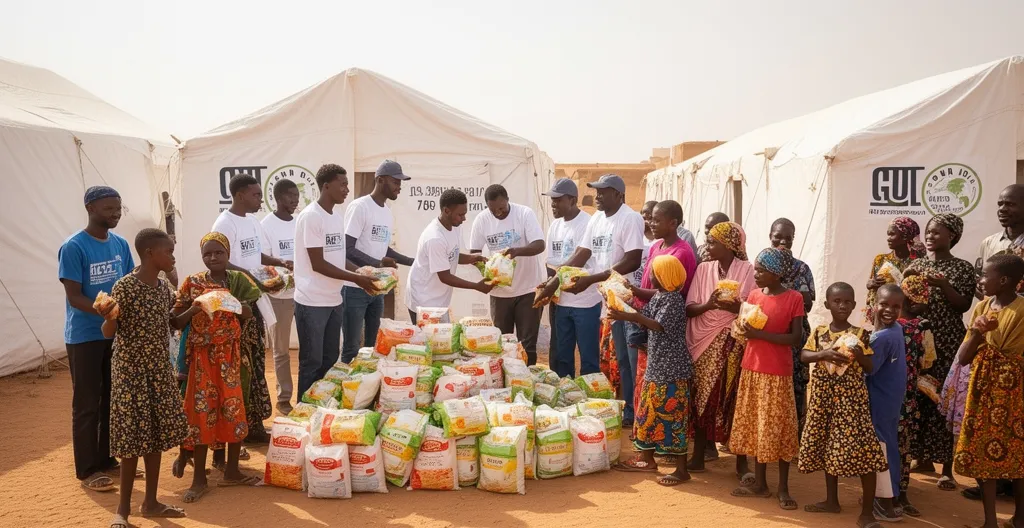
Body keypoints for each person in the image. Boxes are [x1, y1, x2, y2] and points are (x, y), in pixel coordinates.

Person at [101, 229, 189, 527]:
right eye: (169, 251)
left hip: (159, 372)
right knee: (131, 441)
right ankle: (122, 511)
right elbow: (108, 332)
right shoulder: (124, 287)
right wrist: (109, 315)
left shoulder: (164, 288)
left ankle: (150, 502)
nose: (173, 256)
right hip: (131, 373)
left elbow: (173, 323)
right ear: (150, 253)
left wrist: (199, 307)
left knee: (155, 436)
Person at [544, 174, 645, 423]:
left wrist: (591, 279)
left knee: (627, 359)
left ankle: (633, 412)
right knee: (614, 358)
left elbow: (632, 259)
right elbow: (581, 253)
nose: (597, 197)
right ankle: (617, 408)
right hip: (605, 299)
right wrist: (556, 281)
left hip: (625, 299)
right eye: (596, 192)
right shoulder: (598, 219)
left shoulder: (630, 218)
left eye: (603, 192)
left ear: (619, 195)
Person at [171, 232, 263, 502]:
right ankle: (199, 478)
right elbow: (175, 321)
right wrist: (196, 309)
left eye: (218, 252)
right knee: (202, 412)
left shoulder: (237, 281)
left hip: (231, 357)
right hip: (202, 359)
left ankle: (231, 470)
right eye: (207, 254)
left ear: (228, 254)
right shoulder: (193, 283)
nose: (213, 258)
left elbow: (248, 314)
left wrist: (238, 308)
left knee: (233, 409)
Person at [58, 185, 135, 492]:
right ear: (90, 208)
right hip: (85, 336)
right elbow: (74, 296)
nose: (115, 213)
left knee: (111, 400)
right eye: (108, 208)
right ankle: (88, 469)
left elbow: (128, 282)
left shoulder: (120, 243)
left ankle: (106, 459)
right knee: (87, 403)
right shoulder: (74, 246)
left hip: (114, 334)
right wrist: (108, 311)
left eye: (118, 208)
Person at [797, 282, 886, 528]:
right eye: (837, 301)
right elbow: (804, 356)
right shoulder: (820, 332)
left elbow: (870, 368)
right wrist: (823, 354)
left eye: (847, 302)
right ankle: (831, 501)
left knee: (866, 451)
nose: (842, 305)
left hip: (852, 403)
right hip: (824, 400)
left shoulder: (860, 335)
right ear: (827, 305)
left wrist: (857, 354)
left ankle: (867, 512)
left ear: (854, 305)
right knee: (828, 446)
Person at [211, 174, 290, 443]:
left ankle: (254, 423)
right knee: (240, 364)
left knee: (256, 361)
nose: (260, 199)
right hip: (235, 304)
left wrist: (276, 263)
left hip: (254, 300)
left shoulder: (254, 222)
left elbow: (256, 255)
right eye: (256, 194)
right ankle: (237, 428)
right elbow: (222, 263)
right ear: (241, 194)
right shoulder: (224, 223)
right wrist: (254, 279)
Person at [903, 214, 975, 491]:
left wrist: (942, 284)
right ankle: (921, 458)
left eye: (937, 232)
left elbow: (963, 305)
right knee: (920, 396)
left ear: (952, 236)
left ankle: (947, 468)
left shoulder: (962, 268)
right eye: (929, 232)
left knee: (944, 400)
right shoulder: (917, 264)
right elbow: (908, 302)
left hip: (947, 341)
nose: (931, 236)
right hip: (920, 339)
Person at [961, 184, 1024, 501]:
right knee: (989, 419)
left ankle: (1014, 481)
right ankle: (990, 479)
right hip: (991, 334)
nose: (1003, 209)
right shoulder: (990, 243)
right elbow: (979, 285)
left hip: (1020, 338)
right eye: (1000, 203)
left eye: (1010, 204)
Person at [729, 247, 804, 511]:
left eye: (761, 271)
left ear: (775, 273)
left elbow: (795, 339)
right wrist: (742, 328)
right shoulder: (753, 295)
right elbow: (741, 330)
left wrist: (760, 335)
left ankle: (783, 487)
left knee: (780, 428)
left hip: (777, 373)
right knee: (756, 426)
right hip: (752, 367)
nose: (756, 275)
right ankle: (760, 483)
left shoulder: (794, 298)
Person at [293, 164, 377, 397]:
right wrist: (357, 279)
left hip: (333, 299)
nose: (347, 189)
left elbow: (338, 258)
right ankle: (304, 410)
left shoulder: (336, 216)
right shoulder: (311, 216)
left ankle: (321, 408)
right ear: (326, 186)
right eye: (342, 184)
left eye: (347, 184)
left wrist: (362, 273)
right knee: (312, 361)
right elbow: (318, 264)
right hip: (312, 302)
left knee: (330, 360)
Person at [609, 255, 693, 486]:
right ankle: (646, 459)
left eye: (654, 273)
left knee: (674, 418)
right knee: (648, 413)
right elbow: (645, 318)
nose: (650, 276)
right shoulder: (660, 297)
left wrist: (627, 314)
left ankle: (681, 469)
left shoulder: (674, 300)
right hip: (657, 368)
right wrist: (623, 301)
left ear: (664, 276)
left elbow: (656, 324)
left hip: (672, 371)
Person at [954, 254, 1024, 528]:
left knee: (1018, 452)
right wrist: (977, 333)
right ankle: (990, 521)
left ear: (1004, 280)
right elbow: (963, 358)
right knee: (982, 450)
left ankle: (1019, 518)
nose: (980, 281)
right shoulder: (981, 309)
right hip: (983, 390)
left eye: (985, 275)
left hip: (1015, 393)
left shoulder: (1021, 311)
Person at [685, 221, 754, 477]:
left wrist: (733, 308)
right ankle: (699, 454)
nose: (707, 246)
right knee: (703, 396)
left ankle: (741, 462)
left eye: (713, 242)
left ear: (729, 245)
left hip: (734, 341)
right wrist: (709, 304)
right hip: (702, 341)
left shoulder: (748, 270)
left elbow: (754, 309)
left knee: (732, 398)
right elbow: (689, 307)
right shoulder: (703, 270)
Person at [626, 200, 697, 426]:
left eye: (657, 220)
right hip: (647, 312)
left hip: (660, 322)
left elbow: (668, 290)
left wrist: (635, 293)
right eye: (650, 219)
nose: (651, 223)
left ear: (673, 223)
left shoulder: (682, 252)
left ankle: (654, 432)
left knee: (658, 383)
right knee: (643, 377)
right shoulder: (658, 246)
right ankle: (643, 428)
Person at [341, 160, 414, 362]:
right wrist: (378, 264)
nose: (399, 186)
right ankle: (347, 389)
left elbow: (384, 248)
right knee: (351, 347)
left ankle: (366, 388)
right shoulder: (360, 207)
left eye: (401, 182)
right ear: (380, 180)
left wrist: (411, 261)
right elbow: (347, 248)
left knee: (373, 346)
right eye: (396, 181)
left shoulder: (387, 212)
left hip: (377, 290)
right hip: (355, 287)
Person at [470, 184, 546, 364]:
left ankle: (527, 382)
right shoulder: (482, 220)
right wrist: (489, 272)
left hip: (527, 290)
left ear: (507, 200)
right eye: (492, 209)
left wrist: (516, 251)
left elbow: (539, 244)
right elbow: (474, 253)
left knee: (527, 344)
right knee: (502, 343)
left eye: (501, 208)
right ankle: (505, 387)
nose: (498, 213)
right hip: (500, 293)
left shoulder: (524, 214)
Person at [406, 188, 491, 322]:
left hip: (439, 300)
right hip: (424, 302)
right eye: (460, 214)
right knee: (430, 341)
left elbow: (452, 255)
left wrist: (472, 258)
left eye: (464, 214)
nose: (464, 218)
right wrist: (476, 286)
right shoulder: (435, 238)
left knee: (443, 340)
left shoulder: (455, 226)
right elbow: (445, 277)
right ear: (446, 211)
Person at [542, 178, 599, 377]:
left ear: (573, 200)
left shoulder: (588, 223)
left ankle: (590, 401)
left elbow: (580, 261)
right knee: (562, 355)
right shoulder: (555, 226)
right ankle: (567, 397)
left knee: (588, 356)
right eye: (552, 200)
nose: (553, 204)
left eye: (558, 200)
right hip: (561, 301)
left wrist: (554, 282)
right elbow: (551, 263)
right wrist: (547, 285)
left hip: (585, 302)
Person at [769, 218, 815, 437]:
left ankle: (794, 433)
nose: (783, 242)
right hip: (768, 332)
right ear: (770, 236)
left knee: (796, 381)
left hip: (796, 332)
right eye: (778, 236)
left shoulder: (802, 268)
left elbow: (809, 301)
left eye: (788, 238)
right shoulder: (763, 265)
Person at [866, 284, 909, 522]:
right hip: (891, 399)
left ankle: (883, 502)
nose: (889, 310)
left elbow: (869, 369)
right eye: (884, 304)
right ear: (874, 303)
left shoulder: (882, 337)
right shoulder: (895, 331)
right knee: (888, 445)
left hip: (879, 400)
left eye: (896, 307)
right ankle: (888, 496)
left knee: (879, 449)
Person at [894, 275, 934, 517]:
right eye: (920, 301)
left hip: (891, 394)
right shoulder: (923, 326)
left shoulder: (887, 322)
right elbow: (927, 362)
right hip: (908, 396)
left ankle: (885, 494)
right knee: (903, 446)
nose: (924, 306)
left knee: (891, 444)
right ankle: (900, 495)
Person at [260, 179, 298, 414]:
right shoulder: (266, 225)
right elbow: (262, 258)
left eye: (296, 196)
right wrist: (283, 267)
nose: (295, 200)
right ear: (278, 198)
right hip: (279, 295)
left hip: (304, 294)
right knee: (281, 349)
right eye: (290, 196)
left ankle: (309, 394)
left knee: (312, 348)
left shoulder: (300, 222)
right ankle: (284, 399)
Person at [864, 217, 924, 321]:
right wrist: (870, 284)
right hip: (883, 318)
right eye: (888, 234)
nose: (888, 238)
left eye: (892, 234)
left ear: (906, 236)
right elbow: (873, 292)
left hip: (909, 319)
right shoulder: (881, 260)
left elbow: (923, 295)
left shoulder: (919, 262)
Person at [629, 201, 658, 287]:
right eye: (642, 214)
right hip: (634, 285)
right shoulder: (637, 236)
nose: (643, 218)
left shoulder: (661, 241)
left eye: (648, 215)